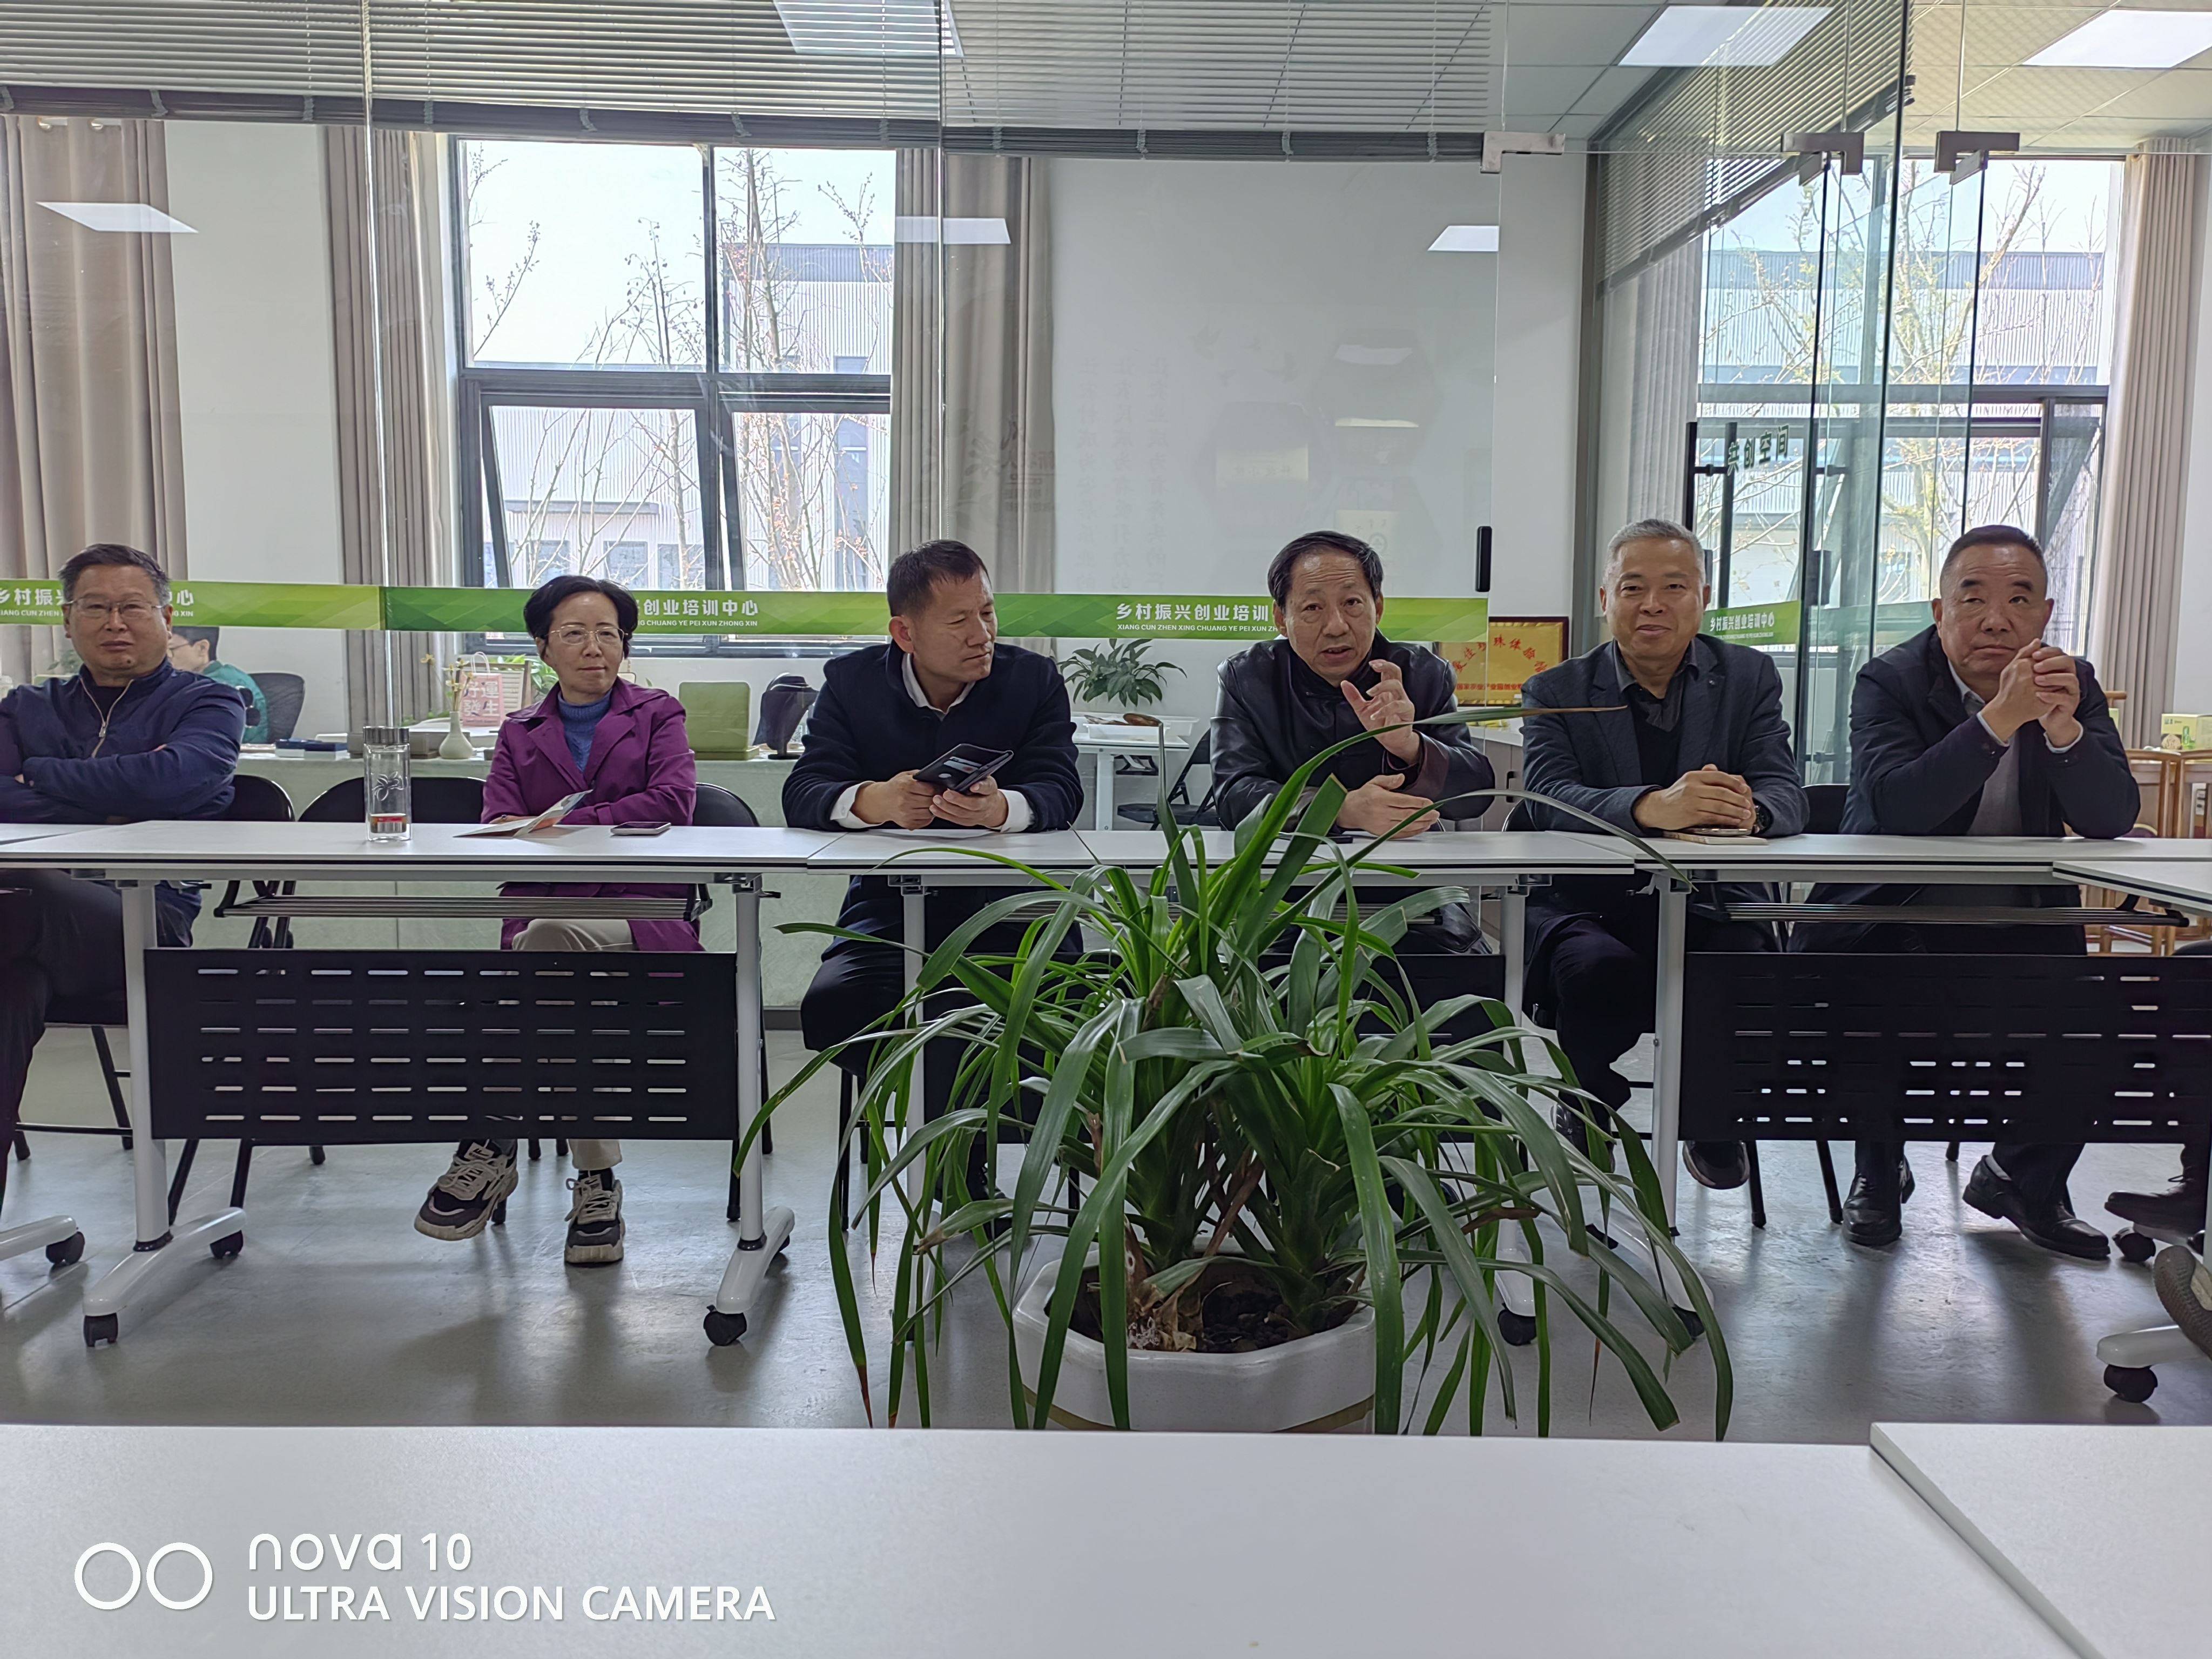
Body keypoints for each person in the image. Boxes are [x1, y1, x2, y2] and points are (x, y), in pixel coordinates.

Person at [1792, 524, 2137, 1256]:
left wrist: (2066, 733)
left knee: (2110, 1011)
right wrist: (1997, 720)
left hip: (2020, 921)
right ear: (1939, 611)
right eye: (1972, 598)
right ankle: (1878, 1170)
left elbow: (2111, 817)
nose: (1995, 620)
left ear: (2045, 614)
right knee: (1872, 992)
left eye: (2019, 600)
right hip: (1893, 915)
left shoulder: (2070, 680)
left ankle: (2020, 1178)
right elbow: (1899, 807)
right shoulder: (1889, 681)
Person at [412, 575, 698, 1267]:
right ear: (543, 647)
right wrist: (582, 824)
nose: (594, 648)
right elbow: (499, 822)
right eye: (574, 634)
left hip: (638, 914)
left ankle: (492, 1137)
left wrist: (565, 823)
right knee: (558, 981)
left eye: (608, 633)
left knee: (542, 951)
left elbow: (672, 804)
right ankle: (597, 1181)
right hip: (545, 910)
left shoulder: (658, 714)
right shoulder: (520, 731)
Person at [1515, 518, 1808, 1189]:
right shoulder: (1556, 690)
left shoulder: (1747, 677)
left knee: (1737, 961)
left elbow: (1784, 789)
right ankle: (1587, 1097)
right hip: (1589, 906)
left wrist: (1750, 813)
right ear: (1605, 599)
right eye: (1633, 588)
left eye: (1673, 587)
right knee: (1596, 971)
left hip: (1713, 900)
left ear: (1702, 597)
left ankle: (1711, 1114)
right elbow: (1545, 796)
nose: (1652, 605)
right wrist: (1650, 808)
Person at [785, 540, 1081, 1170]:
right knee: (838, 1004)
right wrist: (876, 800)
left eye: (988, 613)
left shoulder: (1031, 680)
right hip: (888, 916)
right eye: (960, 621)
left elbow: (1062, 788)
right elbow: (804, 791)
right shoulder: (851, 684)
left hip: (1017, 911)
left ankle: (962, 1171)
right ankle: (945, 1156)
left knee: (988, 1006)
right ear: (905, 633)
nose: (983, 635)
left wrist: (1001, 810)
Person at [0, 544, 246, 1157]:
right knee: (11, 988)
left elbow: (178, 779)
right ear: (67, 620)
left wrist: (39, 774)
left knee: (26, 888)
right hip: (28, 932)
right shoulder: (27, 707)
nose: (115, 623)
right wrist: (114, 803)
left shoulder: (208, 702)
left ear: (166, 618)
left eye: (132, 607)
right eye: (95, 608)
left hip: (146, 918)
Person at [1211, 529, 1493, 838]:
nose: (1336, 627)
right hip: (1286, 859)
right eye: (1313, 607)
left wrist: (1410, 746)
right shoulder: (1248, 676)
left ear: (1378, 608)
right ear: (1281, 618)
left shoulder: (1423, 674)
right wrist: (1338, 809)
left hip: (1404, 858)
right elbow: (1234, 795)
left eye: (1352, 602)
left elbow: (1474, 799)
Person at [166, 625, 271, 743]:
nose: (167, 656)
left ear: (202, 648)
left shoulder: (225, 685)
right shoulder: (211, 678)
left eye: (171, 649)